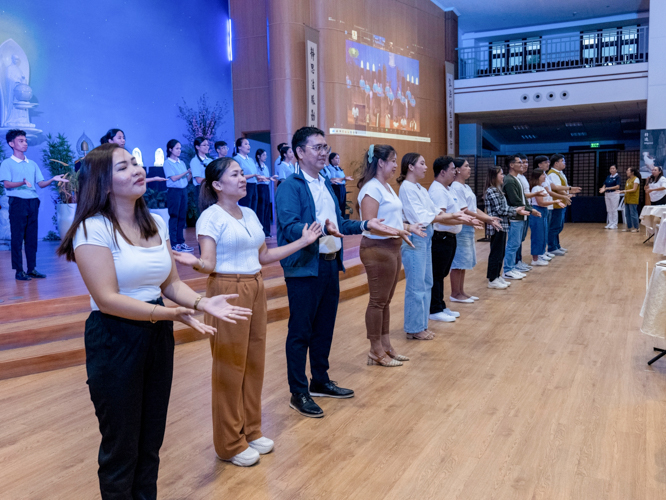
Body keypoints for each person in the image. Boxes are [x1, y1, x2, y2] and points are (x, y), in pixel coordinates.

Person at [56, 143, 251, 498]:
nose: (136, 169)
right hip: (114, 337)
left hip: (157, 334)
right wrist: (168, 313)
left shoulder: (156, 222)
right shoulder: (92, 228)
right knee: (121, 447)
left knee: (150, 441)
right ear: (102, 182)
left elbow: (171, 284)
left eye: (135, 162)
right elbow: (107, 298)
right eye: (123, 167)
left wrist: (203, 302)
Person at [173, 157, 321, 467]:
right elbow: (209, 263)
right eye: (235, 174)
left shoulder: (250, 213)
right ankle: (229, 443)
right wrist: (194, 263)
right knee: (229, 366)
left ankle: (250, 430)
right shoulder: (210, 218)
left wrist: (304, 241)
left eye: (242, 174)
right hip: (227, 290)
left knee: (254, 362)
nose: (243, 178)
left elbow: (265, 255)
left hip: (255, 286)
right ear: (217, 185)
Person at [275, 127, 398, 418]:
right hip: (305, 267)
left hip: (329, 262)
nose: (323, 152)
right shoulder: (290, 186)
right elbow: (289, 227)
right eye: (316, 147)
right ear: (299, 152)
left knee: (324, 328)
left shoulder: (327, 183)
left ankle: (320, 380)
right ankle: (298, 391)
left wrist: (367, 225)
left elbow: (340, 223)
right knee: (300, 332)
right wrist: (321, 229)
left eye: (325, 147)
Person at [357, 145, 415, 366]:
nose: (394, 166)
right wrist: (397, 231)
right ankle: (375, 349)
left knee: (386, 301)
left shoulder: (387, 187)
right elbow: (371, 225)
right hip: (377, 248)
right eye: (392, 161)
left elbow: (392, 220)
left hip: (392, 246)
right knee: (377, 301)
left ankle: (386, 345)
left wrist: (408, 226)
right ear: (380, 162)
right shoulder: (371, 189)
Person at [0, 129, 69, 280]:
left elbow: (41, 184)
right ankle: (19, 271)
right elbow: (7, 184)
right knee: (17, 238)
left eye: (25, 141)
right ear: (11, 143)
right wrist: (22, 182)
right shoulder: (7, 163)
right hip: (17, 202)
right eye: (21, 141)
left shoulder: (32, 164)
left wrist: (52, 179)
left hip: (32, 202)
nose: (25, 143)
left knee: (32, 237)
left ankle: (31, 269)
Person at [424, 156, 480, 323]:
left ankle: (440, 305)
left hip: (450, 236)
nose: (455, 172)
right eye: (452, 169)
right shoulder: (438, 190)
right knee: (437, 274)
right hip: (441, 237)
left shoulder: (446, 189)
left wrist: (464, 220)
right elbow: (440, 217)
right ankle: (434, 309)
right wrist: (464, 220)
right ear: (442, 172)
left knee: (441, 274)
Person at [449, 158, 502, 302]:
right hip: (462, 227)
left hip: (469, 227)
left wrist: (488, 217)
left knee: (465, 261)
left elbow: (474, 208)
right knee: (459, 261)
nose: (469, 168)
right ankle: (455, 293)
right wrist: (485, 219)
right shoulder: (456, 187)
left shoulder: (465, 187)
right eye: (466, 166)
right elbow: (463, 209)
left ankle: (461, 291)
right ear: (458, 169)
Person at [484, 166, 530, 289]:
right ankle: (492, 278)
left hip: (503, 225)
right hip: (496, 226)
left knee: (501, 252)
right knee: (496, 253)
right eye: (501, 174)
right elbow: (500, 209)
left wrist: (515, 210)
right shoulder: (491, 190)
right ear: (494, 176)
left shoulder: (497, 190)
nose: (503, 176)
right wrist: (516, 210)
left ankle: (497, 276)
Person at [503, 154, 541, 280]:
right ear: (511, 165)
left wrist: (531, 209)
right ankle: (508, 269)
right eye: (519, 162)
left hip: (521, 215)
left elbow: (523, 199)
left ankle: (512, 267)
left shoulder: (517, 179)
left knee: (517, 243)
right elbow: (515, 201)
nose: (522, 164)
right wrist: (529, 209)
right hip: (515, 217)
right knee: (512, 244)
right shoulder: (509, 180)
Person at [100, 128, 166, 183]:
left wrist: (154, 179)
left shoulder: (125, 156)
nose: (123, 140)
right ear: (110, 140)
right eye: (119, 138)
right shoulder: (105, 157)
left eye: (123, 138)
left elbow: (131, 179)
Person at [529, 169, 565, 266]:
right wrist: (555, 202)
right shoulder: (536, 188)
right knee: (537, 235)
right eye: (543, 175)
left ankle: (541, 254)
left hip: (543, 211)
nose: (545, 176)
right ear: (538, 176)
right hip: (538, 211)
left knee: (543, 234)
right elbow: (540, 202)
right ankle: (535, 259)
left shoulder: (541, 187)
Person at [163, 139, 193, 252]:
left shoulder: (182, 162)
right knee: (174, 216)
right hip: (174, 191)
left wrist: (190, 173)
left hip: (183, 191)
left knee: (182, 217)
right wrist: (186, 172)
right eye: (177, 148)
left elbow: (187, 180)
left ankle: (181, 242)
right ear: (170, 149)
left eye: (180, 148)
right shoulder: (167, 163)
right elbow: (174, 178)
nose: (179, 150)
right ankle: (174, 243)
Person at [547, 154, 581, 256]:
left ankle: (557, 245)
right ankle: (552, 247)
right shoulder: (552, 174)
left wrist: (567, 194)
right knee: (554, 226)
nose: (564, 163)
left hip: (561, 202)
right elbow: (557, 187)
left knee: (559, 226)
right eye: (562, 161)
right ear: (556, 163)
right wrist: (568, 191)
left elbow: (562, 187)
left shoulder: (560, 173)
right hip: (557, 204)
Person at [255, 148, 277, 237]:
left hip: (266, 187)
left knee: (267, 209)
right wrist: (268, 178)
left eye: (266, 155)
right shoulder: (255, 166)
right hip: (259, 187)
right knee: (261, 210)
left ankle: (267, 232)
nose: (265, 157)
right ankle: (261, 232)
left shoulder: (265, 166)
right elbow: (258, 178)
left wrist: (270, 178)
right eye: (263, 155)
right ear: (258, 156)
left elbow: (266, 177)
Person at [234, 138, 259, 212]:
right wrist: (254, 175)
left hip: (254, 186)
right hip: (244, 186)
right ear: (239, 147)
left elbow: (255, 175)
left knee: (253, 210)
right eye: (246, 144)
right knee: (246, 209)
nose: (249, 146)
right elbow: (238, 176)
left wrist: (266, 178)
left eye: (249, 144)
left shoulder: (250, 159)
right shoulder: (236, 159)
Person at [189, 136, 212, 214]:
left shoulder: (210, 160)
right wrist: (212, 179)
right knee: (203, 212)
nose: (207, 147)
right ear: (197, 147)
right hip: (201, 188)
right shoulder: (194, 161)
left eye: (207, 145)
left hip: (211, 187)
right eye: (204, 145)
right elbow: (198, 179)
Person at [327, 152, 353, 218]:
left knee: (342, 205)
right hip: (335, 188)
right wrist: (344, 178)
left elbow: (342, 178)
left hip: (342, 188)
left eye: (339, 158)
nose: (338, 160)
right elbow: (332, 179)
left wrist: (345, 178)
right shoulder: (329, 168)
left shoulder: (339, 168)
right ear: (331, 160)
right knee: (337, 205)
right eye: (336, 158)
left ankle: (343, 221)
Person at [619, 166, 641, 232]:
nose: (627, 172)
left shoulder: (636, 179)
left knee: (633, 213)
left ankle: (636, 228)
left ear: (632, 172)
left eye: (628, 170)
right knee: (627, 214)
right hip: (627, 199)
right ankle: (629, 227)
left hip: (633, 199)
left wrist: (624, 191)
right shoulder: (628, 180)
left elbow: (634, 189)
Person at [599, 165, 621, 229]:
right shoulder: (608, 176)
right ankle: (610, 223)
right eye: (611, 168)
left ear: (616, 170)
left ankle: (615, 224)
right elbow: (604, 184)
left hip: (614, 194)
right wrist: (603, 189)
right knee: (609, 209)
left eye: (613, 168)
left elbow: (618, 186)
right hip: (607, 194)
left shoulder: (617, 177)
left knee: (614, 209)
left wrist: (607, 188)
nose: (612, 169)